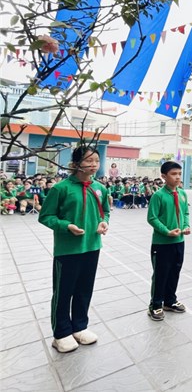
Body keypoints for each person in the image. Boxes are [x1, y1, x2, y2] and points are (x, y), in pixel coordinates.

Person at [38, 145, 110, 353]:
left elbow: (105, 211)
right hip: (67, 250)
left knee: (84, 290)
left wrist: (103, 222)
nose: (94, 165)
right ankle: (61, 333)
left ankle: (79, 327)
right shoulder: (61, 188)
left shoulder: (100, 188)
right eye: (88, 160)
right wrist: (66, 226)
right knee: (63, 292)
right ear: (76, 163)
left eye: (96, 160)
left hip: (92, 246)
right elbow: (45, 216)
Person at [146, 161, 190, 321]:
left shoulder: (182, 194)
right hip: (162, 244)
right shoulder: (158, 196)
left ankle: (170, 301)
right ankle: (155, 305)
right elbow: (152, 218)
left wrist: (186, 226)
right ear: (164, 176)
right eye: (173, 174)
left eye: (179, 174)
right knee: (160, 274)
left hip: (179, 241)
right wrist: (166, 231)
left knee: (174, 272)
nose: (177, 177)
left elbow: (185, 213)